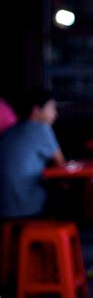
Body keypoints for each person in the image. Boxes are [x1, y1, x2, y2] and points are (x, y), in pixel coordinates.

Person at [0, 89, 65, 218]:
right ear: (36, 110)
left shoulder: (9, 131)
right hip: (26, 206)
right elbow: (62, 166)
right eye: (52, 108)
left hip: (4, 206)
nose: (55, 113)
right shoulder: (40, 128)